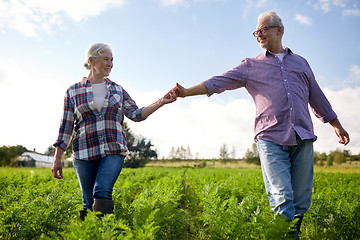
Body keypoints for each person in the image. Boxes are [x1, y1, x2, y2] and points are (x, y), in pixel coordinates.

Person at [171, 10, 349, 237]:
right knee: (283, 200)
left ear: (279, 30)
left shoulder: (301, 63)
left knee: (301, 202)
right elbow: (219, 81)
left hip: (302, 136)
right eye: (256, 31)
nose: (259, 34)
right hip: (270, 138)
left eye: (264, 29)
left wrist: (336, 124)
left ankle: (290, 232)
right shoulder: (250, 66)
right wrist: (186, 92)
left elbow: (317, 96)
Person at [51, 43, 176, 220]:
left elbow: (136, 114)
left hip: (113, 149)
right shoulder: (73, 91)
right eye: (106, 59)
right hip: (83, 152)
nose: (110, 63)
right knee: (87, 201)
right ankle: (90, 234)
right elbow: (66, 126)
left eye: (112, 60)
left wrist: (161, 101)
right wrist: (57, 158)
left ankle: (105, 233)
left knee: (102, 191)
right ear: (91, 60)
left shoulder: (117, 90)